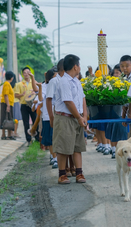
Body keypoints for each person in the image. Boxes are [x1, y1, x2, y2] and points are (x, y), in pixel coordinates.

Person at [53, 54, 88, 184]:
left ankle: (79, 172)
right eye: (79, 65)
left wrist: (84, 116)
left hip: (77, 118)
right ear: (75, 66)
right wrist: (79, 117)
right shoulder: (63, 81)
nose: (79, 67)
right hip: (65, 118)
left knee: (77, 147)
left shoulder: (77, 81)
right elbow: (68, 102)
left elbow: (82, 99)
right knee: (63, 147)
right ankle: (62, 174)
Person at [105, 64, 127, 158]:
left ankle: (122, 151)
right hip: (113, 110)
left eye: (118, 72)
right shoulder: (110, 84)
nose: (116, 74)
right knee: (112, 131)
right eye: (114, 73)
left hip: (122, 111)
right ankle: (113, 150)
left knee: (121, 132)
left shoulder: (125, 83)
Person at [14, 67, 39, 144]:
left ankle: (37, 138)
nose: (26, 74)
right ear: (22, 74)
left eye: (28, 72)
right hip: (24, 105)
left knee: (35, 122)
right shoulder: (19, 84)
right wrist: (22, 94)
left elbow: (39, 91)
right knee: (26, 123)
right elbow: (16, 95)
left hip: (33, 105)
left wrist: (34, 93)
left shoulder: (34, 82)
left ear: (30, 73)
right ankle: (29, 140)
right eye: (24, 72)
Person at [40, 69, 57, 168]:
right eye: (55, 76)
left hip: (58, 115)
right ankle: (54, 158)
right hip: (48, 116)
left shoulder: (59, 85)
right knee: (51, 139)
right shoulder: (45, 87)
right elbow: (41, 99)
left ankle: (55, 157)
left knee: (56, 138)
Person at [0, 71, 16, 140]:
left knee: (9, 118)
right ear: (12, 78)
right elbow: (6, 95)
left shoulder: (7, 84)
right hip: (6, 103)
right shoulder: (6, 84)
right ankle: (4, 134)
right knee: (5, 118)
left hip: (8, 103)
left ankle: (9, 134)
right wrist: (8, 105)